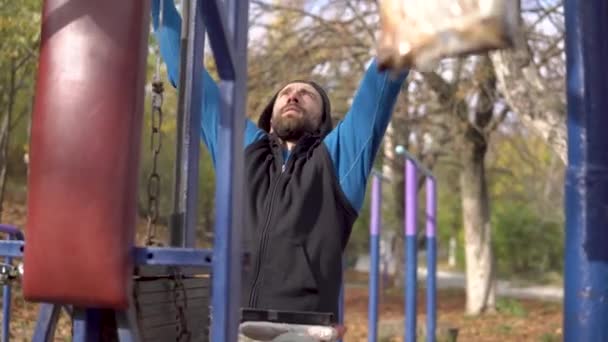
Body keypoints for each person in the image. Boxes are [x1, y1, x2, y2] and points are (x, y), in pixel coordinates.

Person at [151, 0, 408, 337]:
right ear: (270, 117)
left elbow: (380, 85)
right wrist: (158, 7)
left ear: (323, 120)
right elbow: (188, 75)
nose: (293, 96)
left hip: (302, 328)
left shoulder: (337, 159)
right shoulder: (242, 147)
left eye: (306, 94)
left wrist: (405, 20)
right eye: (286, 93)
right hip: (231, 323)